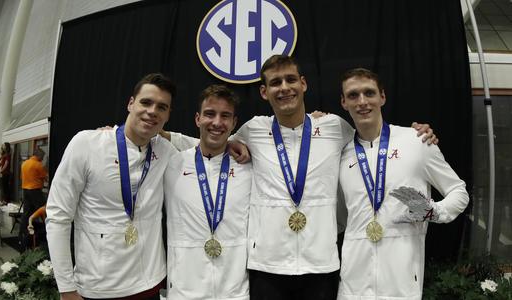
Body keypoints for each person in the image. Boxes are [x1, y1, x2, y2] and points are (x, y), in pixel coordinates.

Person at [165, 55, 436, 300]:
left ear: (303, 84)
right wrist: (159, 134)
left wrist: (414, 134)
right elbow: (211, 141)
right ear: (264, 91)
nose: (284, 87)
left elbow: (373, 139)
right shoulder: (253, 130)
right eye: (275, 82)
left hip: (321, 265)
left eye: (290, 79)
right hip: (267, 266)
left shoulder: (334, 127)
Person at [336, 68, 469, 299]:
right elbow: (339, 218)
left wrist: (434, 211)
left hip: (402, 282)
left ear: (382, 97)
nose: (362, 101)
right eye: (353, 95)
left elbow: (459, 191)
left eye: (369, 93)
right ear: (344, 102)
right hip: (352, 285)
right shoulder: (340, 154)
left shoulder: (416, 141)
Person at [46, 73, 177, 300]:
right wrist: (66, 289)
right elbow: (58, 217)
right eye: (146, 102)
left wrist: (234, 143)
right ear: (130, 103)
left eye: (162, 107)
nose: (153, 111)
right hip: (99, 287)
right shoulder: (86, 144)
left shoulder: (165, 152)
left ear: (167, 115)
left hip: (150, 284)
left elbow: (204, 148)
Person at [164, 84, 251, 299]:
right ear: (197, 119)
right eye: (210, 114)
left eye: (225, 116)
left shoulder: (249, 166)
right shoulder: (172, 163)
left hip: (236, 291)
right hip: (184, 290)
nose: (217, 123)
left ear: (234, 123)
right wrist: (111, 135)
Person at [20, 147, 48, 250]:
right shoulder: (38, 165)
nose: (43, 158)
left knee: (26, 213)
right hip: (35, 191)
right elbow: (46, 177)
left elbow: (22, 178)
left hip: (25, 190)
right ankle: (47, 232)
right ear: (39, 155)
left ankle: (24, 234)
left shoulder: (24, 163)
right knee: (44, 211)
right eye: (43, 156)